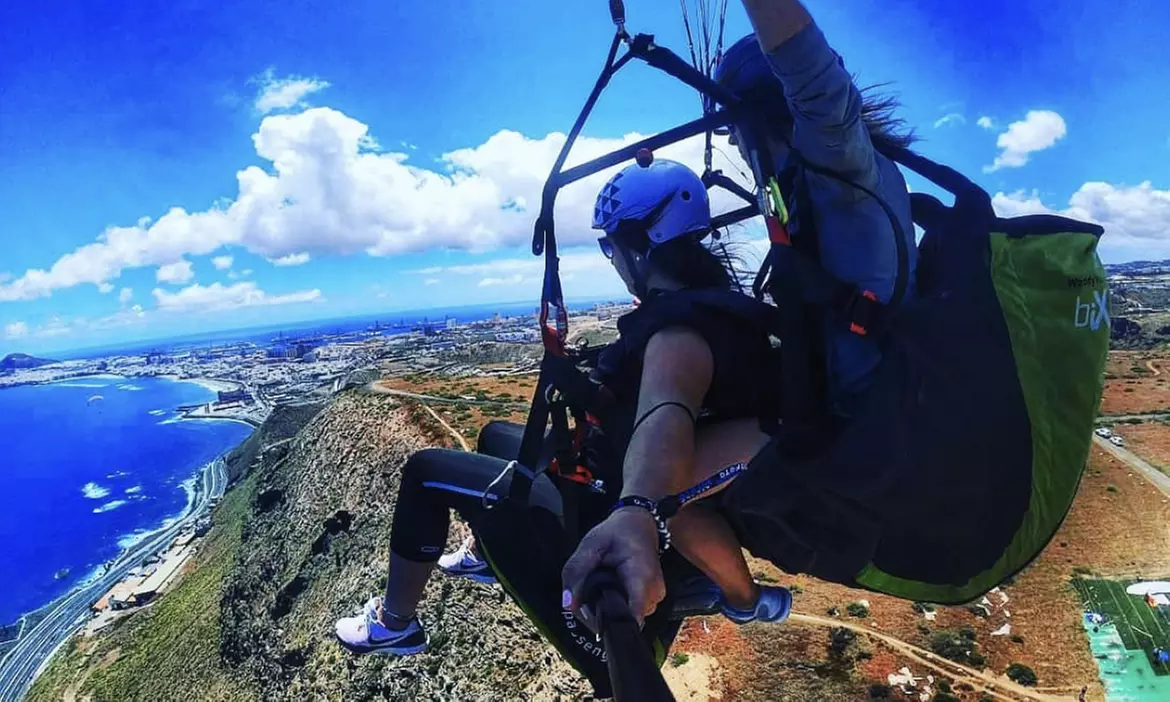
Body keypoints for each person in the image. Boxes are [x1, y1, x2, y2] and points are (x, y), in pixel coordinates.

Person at [334, 157, 793, 656]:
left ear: (640, 248)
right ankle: (484, 553)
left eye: (609, 246)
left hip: (604, 492)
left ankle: (395, 622)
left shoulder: (678, 333)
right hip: (602, 462)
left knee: (425, 472)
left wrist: (637, 506)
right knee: (494, 436)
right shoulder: (706, 306)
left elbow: (669, 411)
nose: (610, 259)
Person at [561, 0, 916, 629]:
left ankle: (748, 603)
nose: (738, 147)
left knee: (645, 491)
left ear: (764, 111)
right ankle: (736, 589)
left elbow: (810, 72)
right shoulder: (812, 189)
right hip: (834, 399)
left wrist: (640, 505)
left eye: (736, 128)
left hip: (847, 421)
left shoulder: (839, 161)